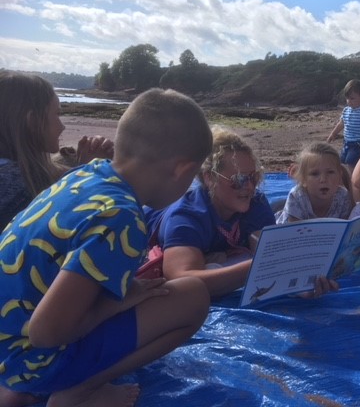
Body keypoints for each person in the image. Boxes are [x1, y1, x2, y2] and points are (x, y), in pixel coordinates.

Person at [0, 88, 212, 407]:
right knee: (193, 298)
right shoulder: (122, 218)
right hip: (29, 357)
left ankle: (19, 390)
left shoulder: (85, 175)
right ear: (182, 170)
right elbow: (45, 332)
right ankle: (78, 391)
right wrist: (116, 305)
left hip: (7, 344)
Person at [147, 126, 338, 299]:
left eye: (253, 177)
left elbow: (268, 252)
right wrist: (259, 267)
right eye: (238, 179)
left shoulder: (255, 203)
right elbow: (181, 280)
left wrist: (301, 286)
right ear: (210, 179)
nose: (248, 187)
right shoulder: (187, 217)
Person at [0, 71, 114, 231]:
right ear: (32, 121)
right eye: (57, 114)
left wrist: (83, 168)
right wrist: (88, 175)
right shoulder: (19, 188)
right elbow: (70, 224)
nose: (63, 126)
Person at [276, 142, 353, 224]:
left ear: (339, 176)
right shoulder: (296, 197)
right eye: (315, 174)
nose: (323, 179)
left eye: (330, 172)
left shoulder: (342, 197)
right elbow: (294, 232)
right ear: (304, 180)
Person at [327, 79, 360, 171]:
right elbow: (341, 123)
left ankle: (352, 180)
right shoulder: (346, 110)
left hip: (358, 143)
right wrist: (333, 134)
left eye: (352, 98)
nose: (349, 101)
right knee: (342, 160)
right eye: (347, 98)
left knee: (351, 162)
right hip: (346, 142)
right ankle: (345, 179)